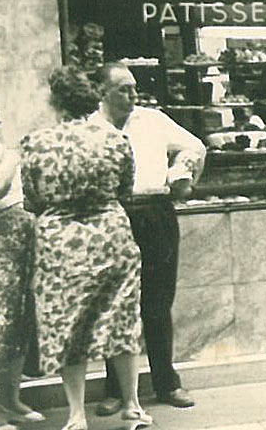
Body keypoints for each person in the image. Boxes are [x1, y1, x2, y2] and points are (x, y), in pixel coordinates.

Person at [18, 68, 149, 430]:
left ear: (55, 101)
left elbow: (32, 200)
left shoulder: (36, 143)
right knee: (122, 320)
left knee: (68, 325)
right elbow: (125, 190)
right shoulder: (114, 140)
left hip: (61, 245)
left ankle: (77, 415)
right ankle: (133, 407)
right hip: (112, 236)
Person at [90, 62, 205, 413]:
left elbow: (194, 146)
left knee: (157, 300)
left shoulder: (152, 120)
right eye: (124, 89)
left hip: (155, 210)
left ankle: (166, 382)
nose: (132, 95)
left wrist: (178, 174)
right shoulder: (88, 126)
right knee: (113, 302)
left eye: (134, 88)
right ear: (102, 92)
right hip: (111, 213)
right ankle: (116, 390)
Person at [0, 110, 44, 430]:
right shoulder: (8, 156)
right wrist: (13, 163)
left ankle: (10, 399)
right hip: (1, 241)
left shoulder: (5, 150)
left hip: (22, 243)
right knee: (0, 324)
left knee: (20, 322)